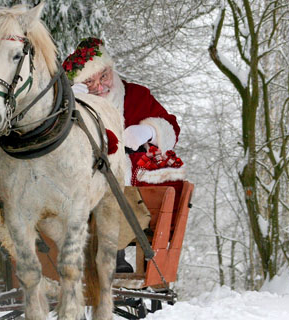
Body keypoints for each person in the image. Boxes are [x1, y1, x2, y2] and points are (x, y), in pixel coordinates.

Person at [63, 37, 184, 273]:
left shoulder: (136, 95)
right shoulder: (71, 102)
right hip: (79, 177)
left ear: (111, 69)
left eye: (103, 77)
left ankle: (115, 255)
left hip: (127, 182)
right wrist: (72, 103)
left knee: (114, 189)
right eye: (89, 81)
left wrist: (149, 131)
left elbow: (171, 127)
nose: (99, 87)